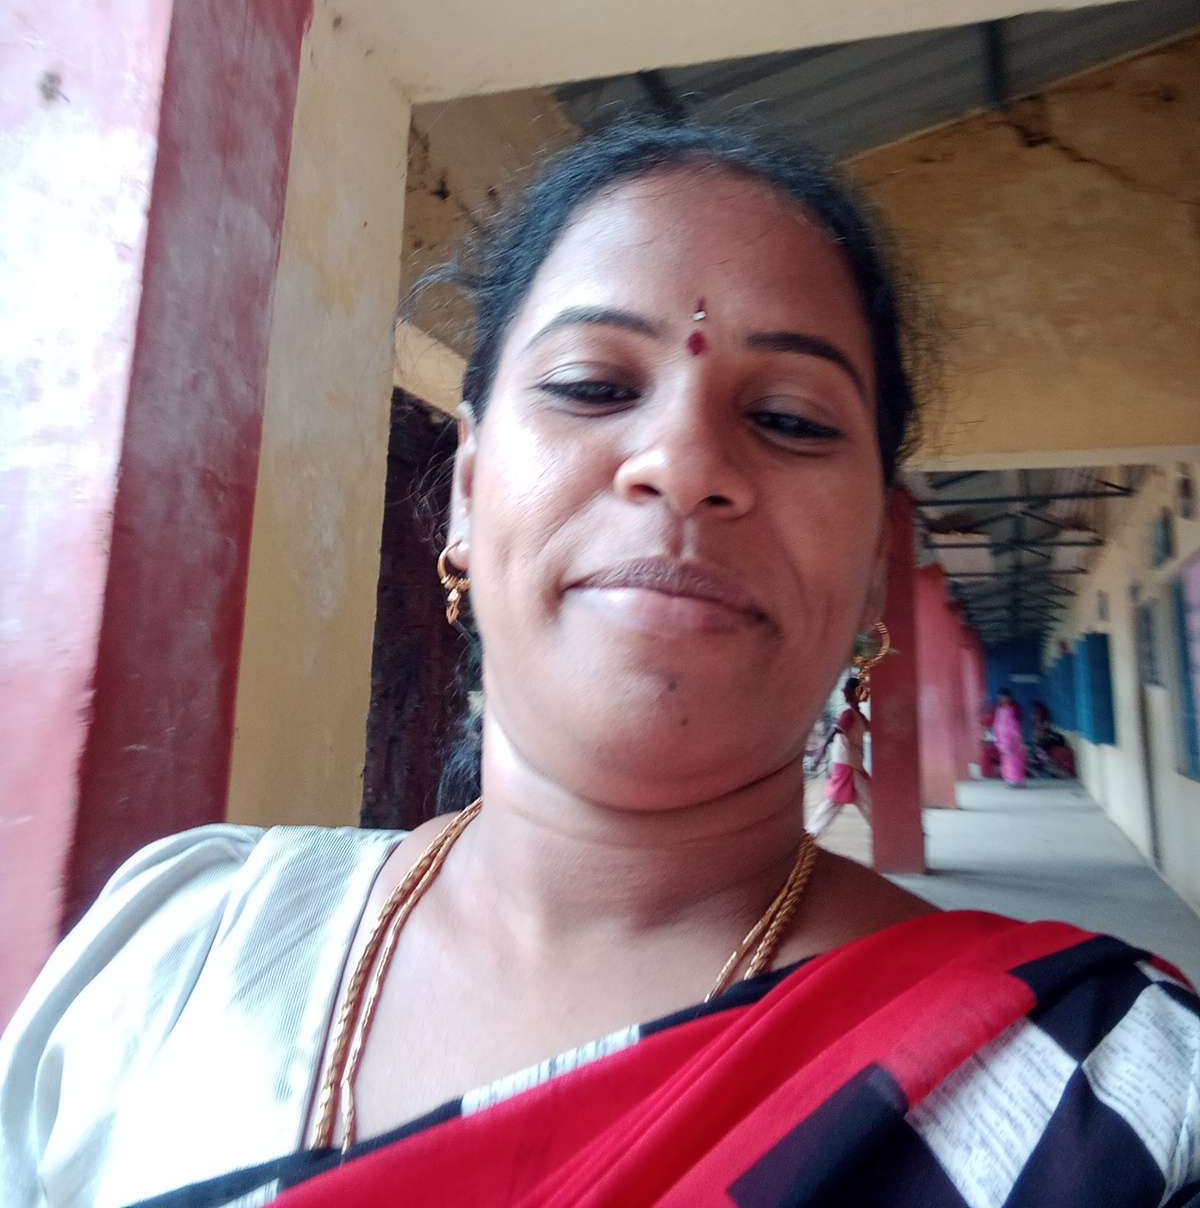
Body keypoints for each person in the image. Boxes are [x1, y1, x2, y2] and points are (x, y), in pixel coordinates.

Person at [3, 121, 1197, 1208]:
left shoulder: (1107, 1096)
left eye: (790, 418)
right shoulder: (177, 951)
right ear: (468, 491)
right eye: (591, 386)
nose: (682, 461)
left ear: (880, 558)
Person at [806, 675, 871, 838]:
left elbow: (835, 732)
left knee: (839, 802)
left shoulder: (852, 715)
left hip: (849, 764)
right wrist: (820, 752)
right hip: (848, 764)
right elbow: (835, 731)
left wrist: (820, 753)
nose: (844, 693)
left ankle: (811, 833)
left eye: (847, 690)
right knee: (844, 801)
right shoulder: (852, 715)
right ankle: (811, 833)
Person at [1031, 699, 1076, 779]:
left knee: (1041, 753)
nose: (1032, 716)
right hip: (1046, 747)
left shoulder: (1044, 726)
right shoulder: (1038, 726)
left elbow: (1043, 735)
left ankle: (1042, 764)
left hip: (1049, 745)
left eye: (1035, 713)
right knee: (1039, 752)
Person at [993, 688, 1028, 788]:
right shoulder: (998, 708)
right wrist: (997, 737)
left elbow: (1017, 723)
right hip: (1003, 739)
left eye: (1004, 697)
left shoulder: (1014, 708)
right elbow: (997, 723)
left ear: (1008, 697)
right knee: (1006, 760)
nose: (1002, 699)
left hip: (1013, 737)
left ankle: (1018, 781)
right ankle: (1010, 780)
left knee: (1015, 760)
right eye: (1000, 697)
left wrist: (1016, 737)